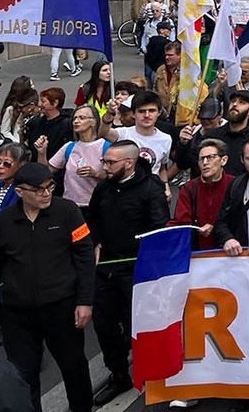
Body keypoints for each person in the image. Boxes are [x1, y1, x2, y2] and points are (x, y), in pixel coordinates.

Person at [0, 162, 95, 412]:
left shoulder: (68, 212)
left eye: (49, 186)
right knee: (23, 374)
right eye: (38, 189)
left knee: (74, 367)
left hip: (62, 307)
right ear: (20, 191)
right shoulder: (5, 220)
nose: (46, 193)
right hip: (18, 313)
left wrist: (85, 301)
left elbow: (85, 257)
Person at [84, 139, 169, 405]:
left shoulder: (149, 187)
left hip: (136, 270)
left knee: (137, 326)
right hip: (106, 268)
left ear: (129, 163)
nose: (105, 167)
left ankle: (151, 373)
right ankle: (118, 374)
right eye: (105, 162)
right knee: (104, 325)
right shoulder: (103, 188)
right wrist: (95, 242)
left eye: (111, 162)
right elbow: (93, 220)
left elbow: (160, 227)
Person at [36, 105, 107, 211]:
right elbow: (45, 172)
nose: (76, 121)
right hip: (70, 206)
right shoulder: (69, 147)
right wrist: (42, 152)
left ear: (94, 122)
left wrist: (96, 174)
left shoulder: (105, 147)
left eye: (81, 118)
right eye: (74, 118)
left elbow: (115, 177)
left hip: (97, 206)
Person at [170, 138, 235, 250]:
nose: (205, 163)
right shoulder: (189, 188)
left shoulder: (234, 185)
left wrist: (216, 229)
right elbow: (182, 222)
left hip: (230, 247)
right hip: (198, 249)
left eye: (210, 158)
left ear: (223, 160)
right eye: (201, 159)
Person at [102, 90, 174, 180]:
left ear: (159, 113)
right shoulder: (123, 133)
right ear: (133, 114)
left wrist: (165, 186)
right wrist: (109, 114)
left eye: (151, 111)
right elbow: (103, 133)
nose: (147, 115)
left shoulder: (166, 139)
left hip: (151, 190)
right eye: (141, 111)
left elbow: (162, 168)